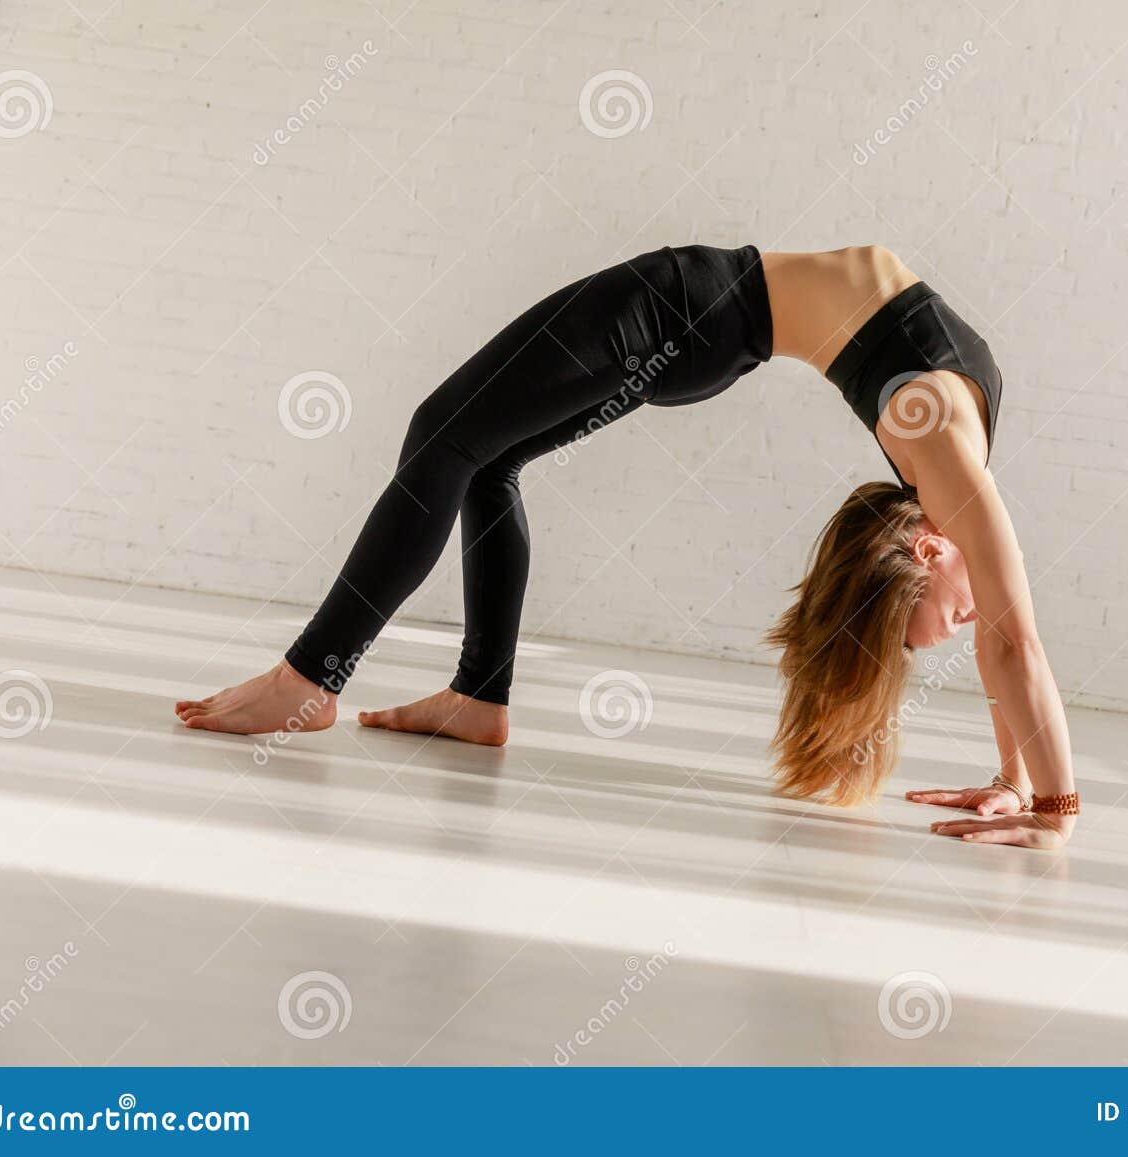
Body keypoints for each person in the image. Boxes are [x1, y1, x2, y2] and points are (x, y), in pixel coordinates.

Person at [174, 244, 1078, 849]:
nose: (964, 628)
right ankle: (367, 684)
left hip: (695, 318)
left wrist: (1017, 778)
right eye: (943, 621)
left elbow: (1005, 633)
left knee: (456, 443)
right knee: (462, 446)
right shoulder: (947, 454)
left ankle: (385, 690)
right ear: (925, 554)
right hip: (681, 311)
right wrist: (1053, 807)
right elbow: (1014, 638)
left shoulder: (946, 457)